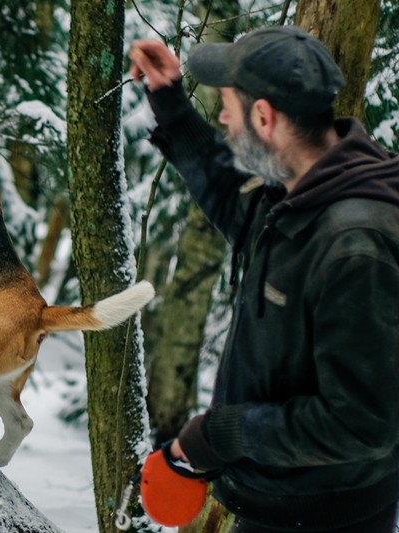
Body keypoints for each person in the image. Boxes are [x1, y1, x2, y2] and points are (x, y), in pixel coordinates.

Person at [129, 25, 399, 532]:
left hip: (327, 518)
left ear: (263, 116)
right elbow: (231, 196)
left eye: (227, 105)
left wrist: (220, 434)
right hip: (282, 505)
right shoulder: (300, 193)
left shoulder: (356, 247)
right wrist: (170, 102)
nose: (223, 117)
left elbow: (362, 425)